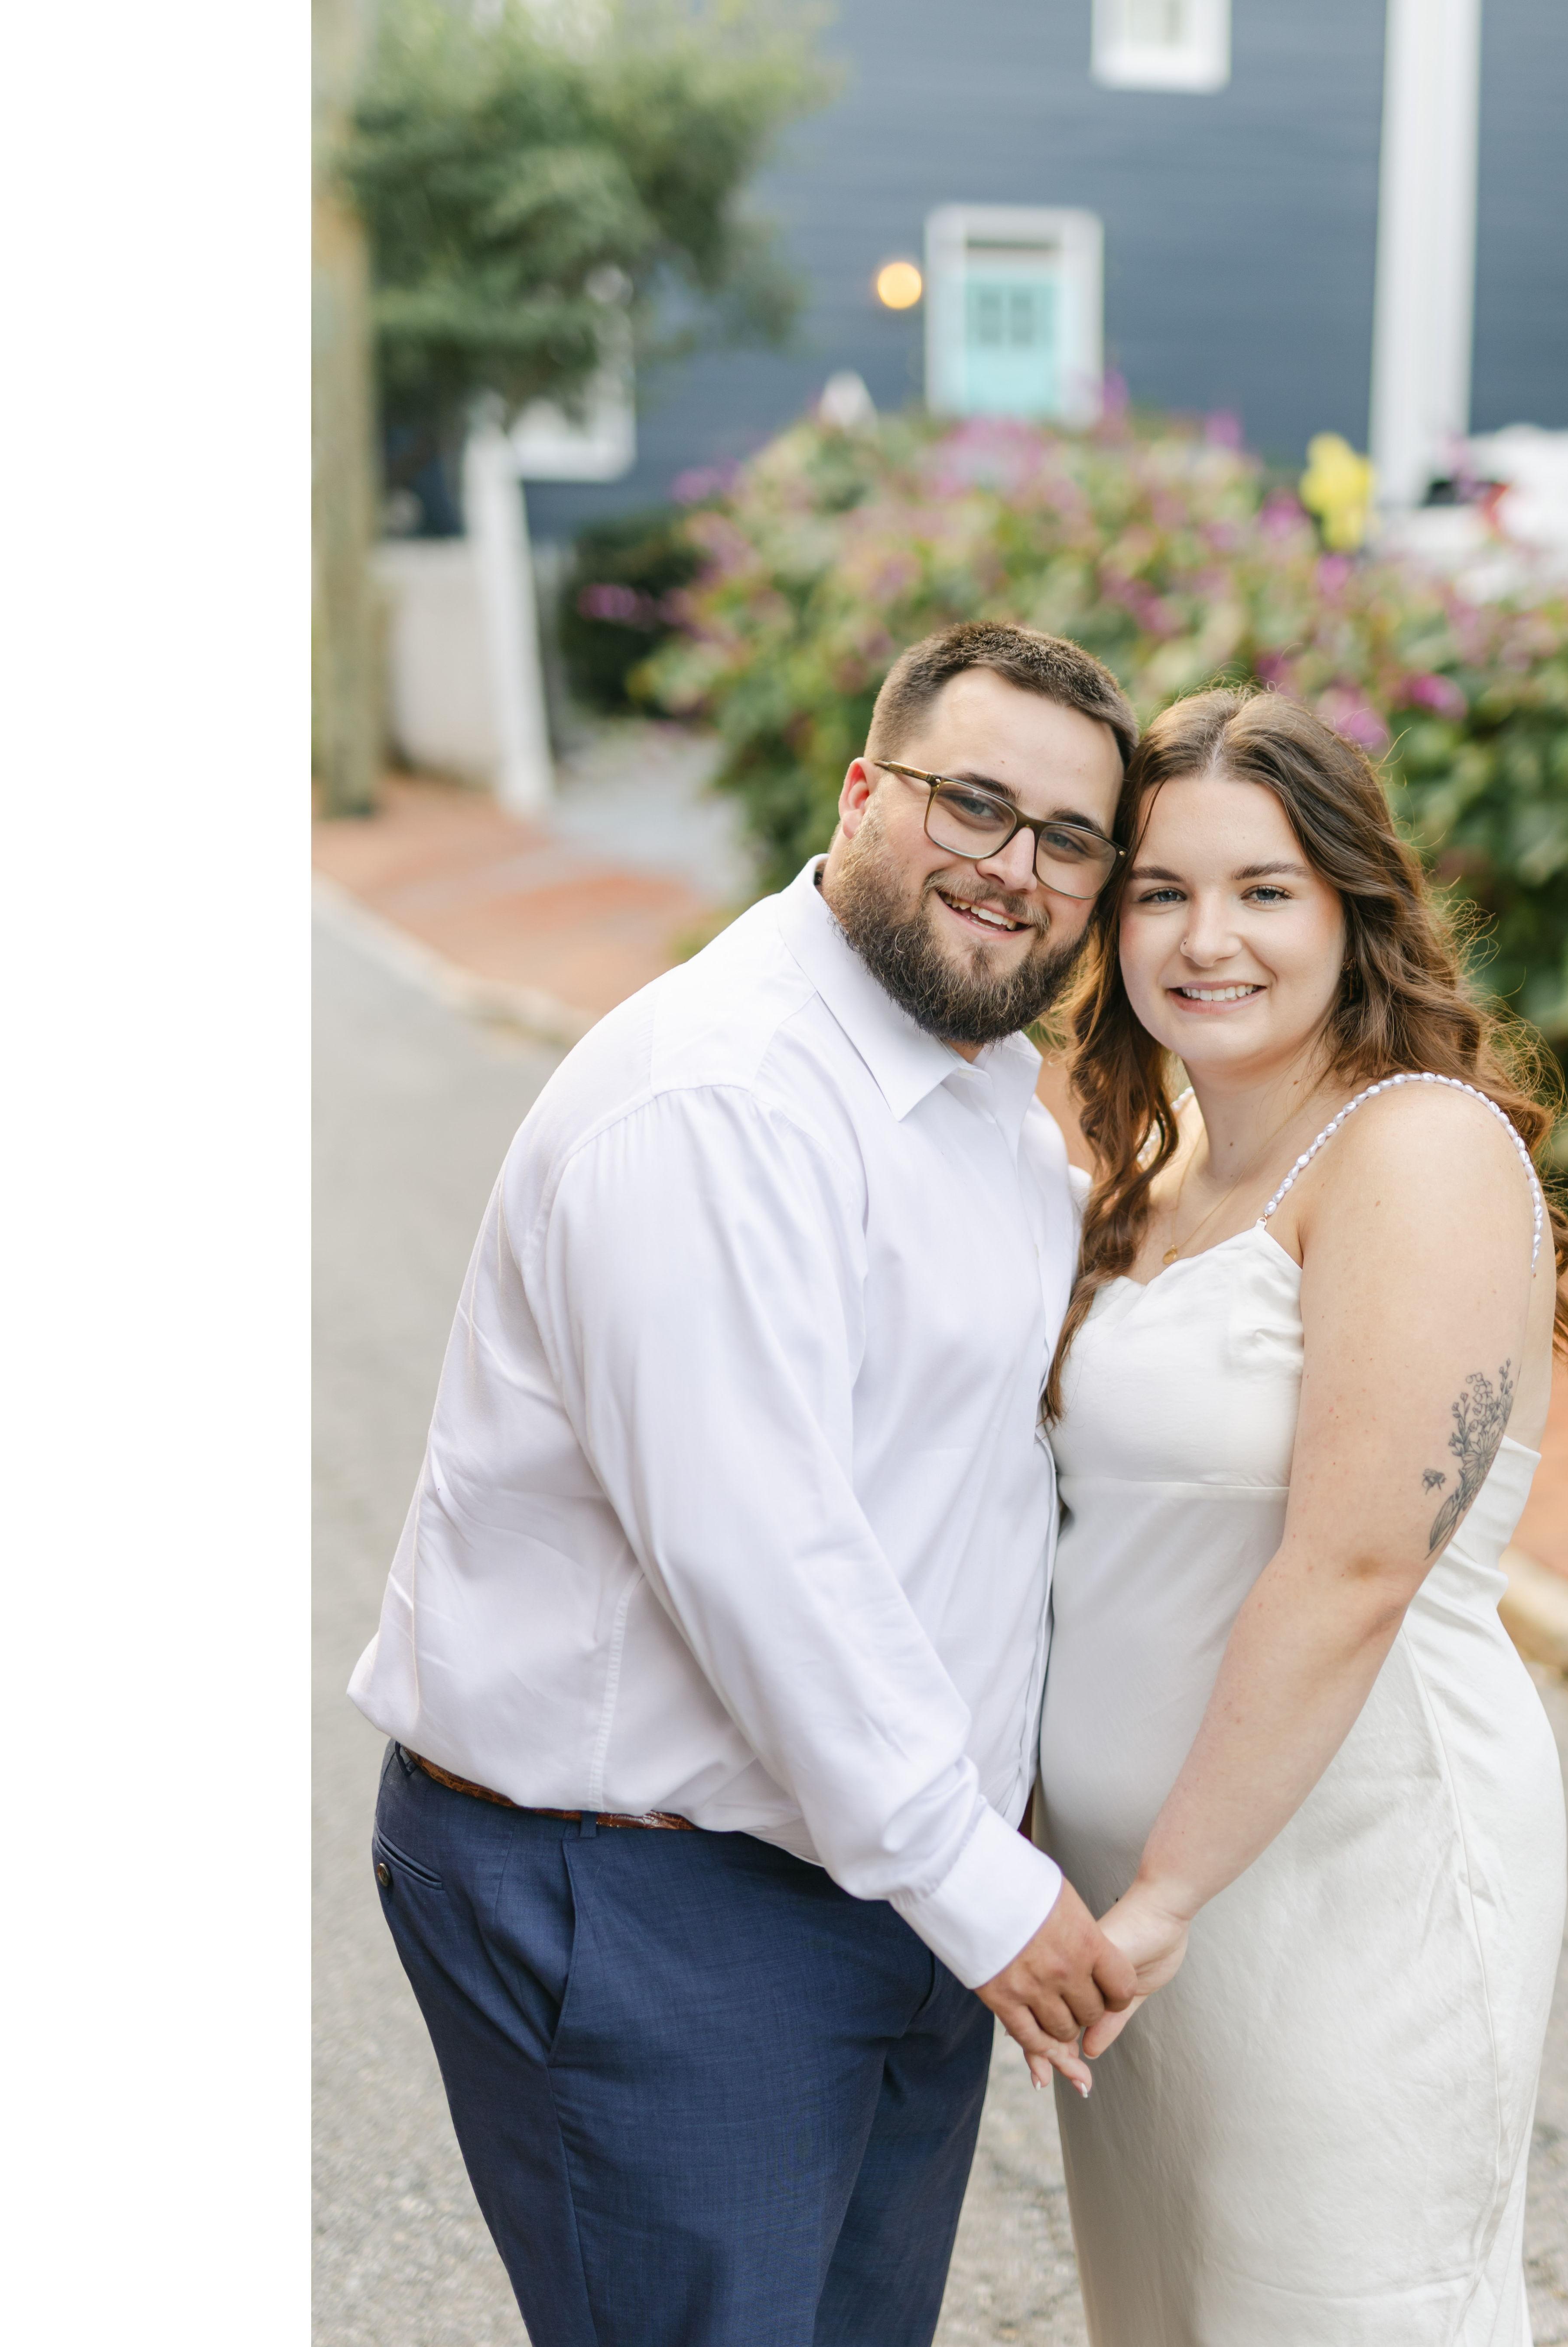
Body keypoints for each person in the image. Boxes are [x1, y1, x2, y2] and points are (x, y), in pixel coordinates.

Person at [347, 620, 1142, 2347]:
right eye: (974, 805)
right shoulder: (719, 1099)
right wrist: (979, 1882)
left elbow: (964, 1490)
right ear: (861, 793)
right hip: (650, 1899)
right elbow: (760, 1555)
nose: (1016, 868)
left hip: (886, 1874)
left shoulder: (986, 1104)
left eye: (1070, 839)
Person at [1033, 684, 1568, 2345]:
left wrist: (1164, 1895)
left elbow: (1352, 1569)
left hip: (1343, 1884)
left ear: (1354, 909)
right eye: (1162, 891)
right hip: (1141, 1918)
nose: (1208, 939)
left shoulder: (1416, 1151)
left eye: (1264, 889)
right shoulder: (1164, 1173)